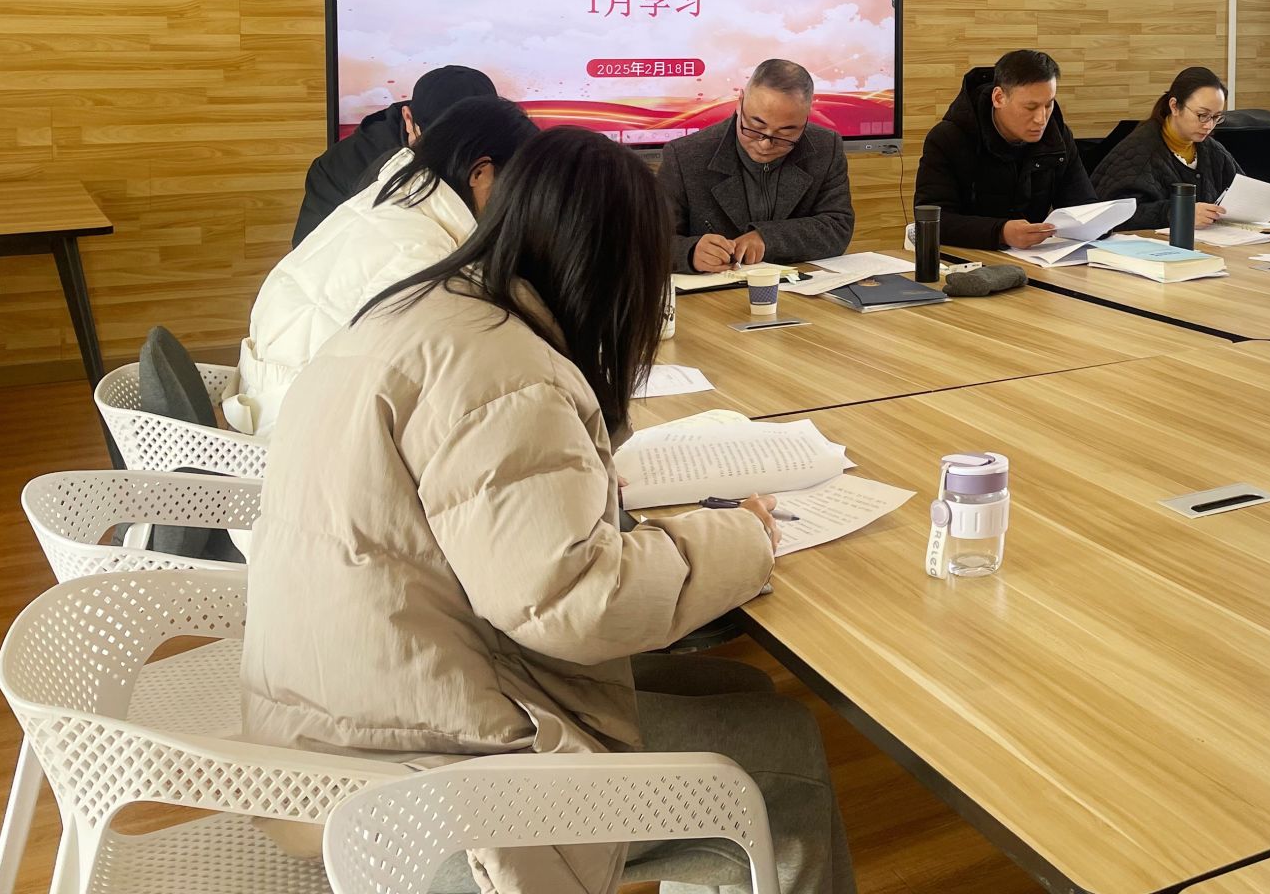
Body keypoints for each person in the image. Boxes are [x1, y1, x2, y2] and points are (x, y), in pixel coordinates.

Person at [242, 126, 855, 894]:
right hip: (427, 777)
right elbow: (571, 601)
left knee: (743, 692)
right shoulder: (501, 369)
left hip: (356, 701)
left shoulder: (433, 308)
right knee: (790, 754)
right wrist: (743, 535)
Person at [226, 96, 538, 436]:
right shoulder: (431, 257)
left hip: (267, 402)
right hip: (301, 430)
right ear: (480, 173)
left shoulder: (384, 198)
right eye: (517, 187)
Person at [656, 59, 854, 273]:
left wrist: (767, 238)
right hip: (715, 288)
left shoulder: (826, 147)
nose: (765, 144)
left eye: (786, 133)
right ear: (739, 102)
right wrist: (690, 252)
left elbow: (838, 226)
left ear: (805, 118)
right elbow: (651, 240)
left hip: (799, 285)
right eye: (755, 126)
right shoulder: (685, 155)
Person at [291, 63, 496, 246]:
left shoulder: (501, 149)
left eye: (475, 145)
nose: (457, 158)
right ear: (408, 119)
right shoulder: (343, 166)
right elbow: (311, 252)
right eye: (442, 144)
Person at [915, 49, 1095, 249]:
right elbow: (932, 221)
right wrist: (1000, 232)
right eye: (1030, 107)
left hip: (1035, 257)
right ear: (999, 98)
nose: (1041, 119)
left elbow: (1083, 206)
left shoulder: (1057, 136)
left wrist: (1098, 223)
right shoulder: (948, 138)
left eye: (1048, 105)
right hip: (965, 257)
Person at [1093, 65, 1241, 231]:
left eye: (1216, 117)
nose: (1209, 125)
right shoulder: (1138, 152)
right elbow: (1111, 215)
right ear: (1174, 106)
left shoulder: (1213, 151)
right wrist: (1178, 213)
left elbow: (1243, 192)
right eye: (1202, 115)